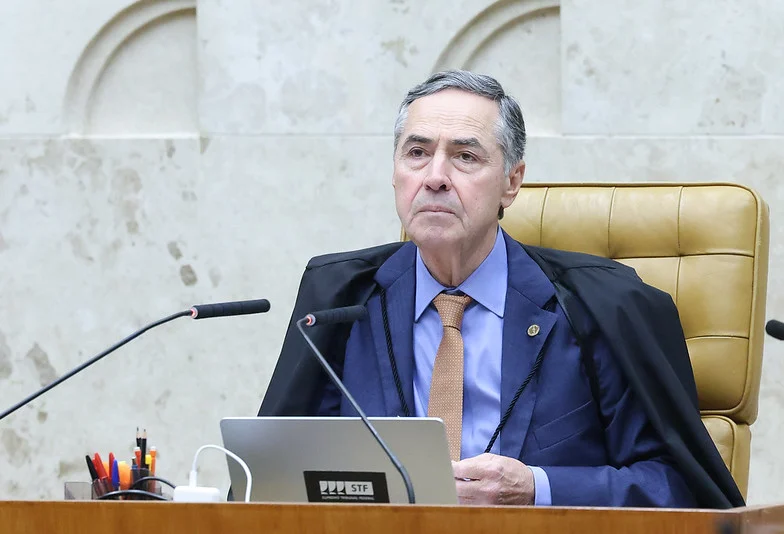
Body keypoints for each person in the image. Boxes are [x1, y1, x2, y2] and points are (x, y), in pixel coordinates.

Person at [258, 70, 744, 508]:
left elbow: (679, 487)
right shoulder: (342, 300)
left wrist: (537, 489)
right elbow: (276, 479)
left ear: (512, 182)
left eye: (465, 156)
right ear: (394, 173)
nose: (434, 178)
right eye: (417, 153)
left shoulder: (601, 306)